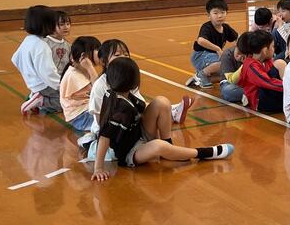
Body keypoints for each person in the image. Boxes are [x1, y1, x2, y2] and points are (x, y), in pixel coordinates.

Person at [91, 57, 233, 181]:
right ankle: (204, 153)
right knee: (159, 146)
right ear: (133, 80)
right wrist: (98, 168)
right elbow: (104, 137)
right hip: (131, 152)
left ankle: (168, 146)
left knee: (161, 102)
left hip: (138, 134)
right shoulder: (119, 108)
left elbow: (144, 109)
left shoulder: (123, 94)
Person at [11, 5, 62, 114]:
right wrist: (61, 85)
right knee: (67, 102)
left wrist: (30, 74)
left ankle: (35, 96)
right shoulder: (41, 46)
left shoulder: (28, 40)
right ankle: (41, 101)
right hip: (45, 86)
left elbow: (15, 58)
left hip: (34, 85)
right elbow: (48, 73)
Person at [187, 0, 239, 89]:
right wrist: (217, 49)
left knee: (224, 74)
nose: (220, 16)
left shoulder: (226, 28)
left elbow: (237, 38)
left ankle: (197, 80)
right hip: (200, 56)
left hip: (212, 58)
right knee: (224, 63)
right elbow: (201, 40)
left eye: (222, 12)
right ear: (208, 15)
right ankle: (201, 74)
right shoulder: (207, 27)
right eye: (215, 13)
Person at [59, 36, 101, 131]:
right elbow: (98, 92)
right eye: (97, 49)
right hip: (80, 118)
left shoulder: (81, 70)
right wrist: (90, 67)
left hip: (84, 112)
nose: (101, 53)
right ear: (84, 55)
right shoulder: (73, 75)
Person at [239, 30, 286, 113]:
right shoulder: (251, 66)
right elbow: (267, 82)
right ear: (265, 50)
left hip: (269, 93)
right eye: (272, 46)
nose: (274, 49)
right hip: (260, 101)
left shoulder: (266, 61)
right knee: (280, 63)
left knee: (281, 63)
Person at [218, 33, 249, 105]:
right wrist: (245, 65)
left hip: (247, 84)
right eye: (238, 52)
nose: (239, 56)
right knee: (228, 91)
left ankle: (249, 95)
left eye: (243, 54)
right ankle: (252, 95)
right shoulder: (227, 54)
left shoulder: (251, 55)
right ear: (236, 45)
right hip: (230, 83)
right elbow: (231, 80)